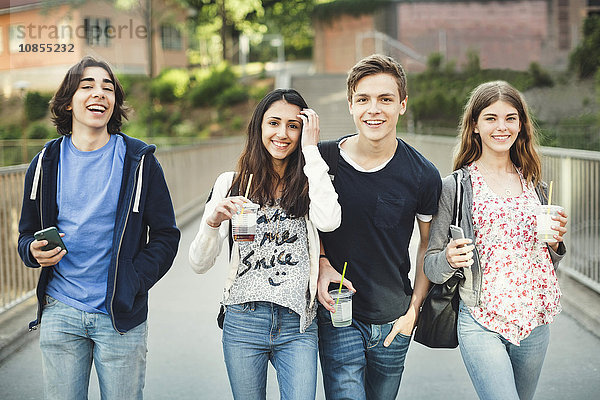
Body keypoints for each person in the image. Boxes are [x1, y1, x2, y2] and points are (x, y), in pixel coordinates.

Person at [17, 56, 180, 400]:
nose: (99, 93)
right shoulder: (45, 162)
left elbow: (166, 235)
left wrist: (133, 280)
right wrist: (32, 251)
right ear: (67, 102)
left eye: (108, 88)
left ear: (115, 103)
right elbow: (25, 234)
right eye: (87, 86)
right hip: (60, 308)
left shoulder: (140, 161)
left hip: (120, 314)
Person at [189, 88, 341, 400]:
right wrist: (212, 222)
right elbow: (198, 263)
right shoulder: (230, 183)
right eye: (273, 123)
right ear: (259, 127)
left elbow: (328, 221)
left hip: (297, 323)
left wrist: (312, 152)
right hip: (244, 319)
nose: (282, 134)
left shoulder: (313, 181)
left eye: (293, 126)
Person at [423, 80, 568, 400]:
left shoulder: (536, 185)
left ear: (521, 125)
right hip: (481, 320)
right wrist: (448, 258)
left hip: (535, 319)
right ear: (474, 125)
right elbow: (431, 265)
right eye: (491, 118)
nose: (501, 127)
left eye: (510, 118)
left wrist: (556, 244)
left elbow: (548, 258)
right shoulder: (455, 187)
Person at [316, 54, 442, 400]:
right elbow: (302, 224)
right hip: (338, 314)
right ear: (350, 105)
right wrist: (324, 263)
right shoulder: (322, 159)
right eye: (363, 99)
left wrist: (412, 312)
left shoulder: (423, 175)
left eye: (385, 99)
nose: (374, 109)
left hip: (393, 319)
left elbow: (428, 245)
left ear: (402, 105)